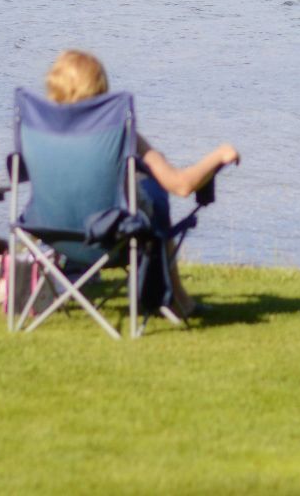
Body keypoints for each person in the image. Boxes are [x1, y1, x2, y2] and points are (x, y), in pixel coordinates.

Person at [43, 50, 238, 320]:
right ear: (101, 90)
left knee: (141, 191)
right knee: (153, 193)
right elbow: (181, 185)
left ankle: (78, 274)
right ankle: (175, 300)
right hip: (111, 242)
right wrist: (220, 154)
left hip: (56, 236)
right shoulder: (120, 136)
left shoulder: (42, 136)